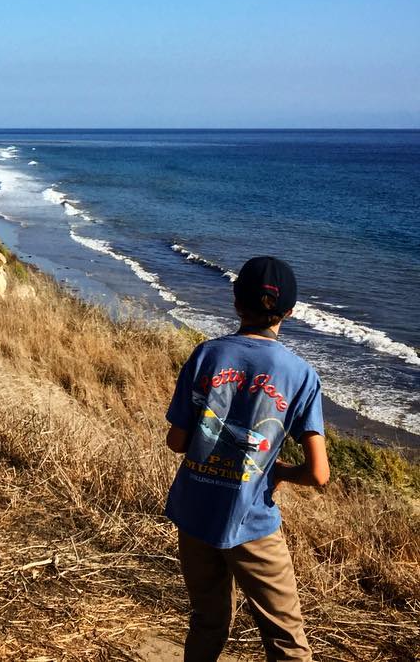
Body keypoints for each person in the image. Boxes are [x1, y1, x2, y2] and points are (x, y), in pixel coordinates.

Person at [165, 256, 329, 662]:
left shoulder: (207, 355)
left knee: (207, 619)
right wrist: (279, 471)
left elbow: (177, 441)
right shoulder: (301, 374)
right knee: (287, 640)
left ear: (236, 303)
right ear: (290, 311)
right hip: (251, 522)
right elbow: (319, 474)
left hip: (194, 511)